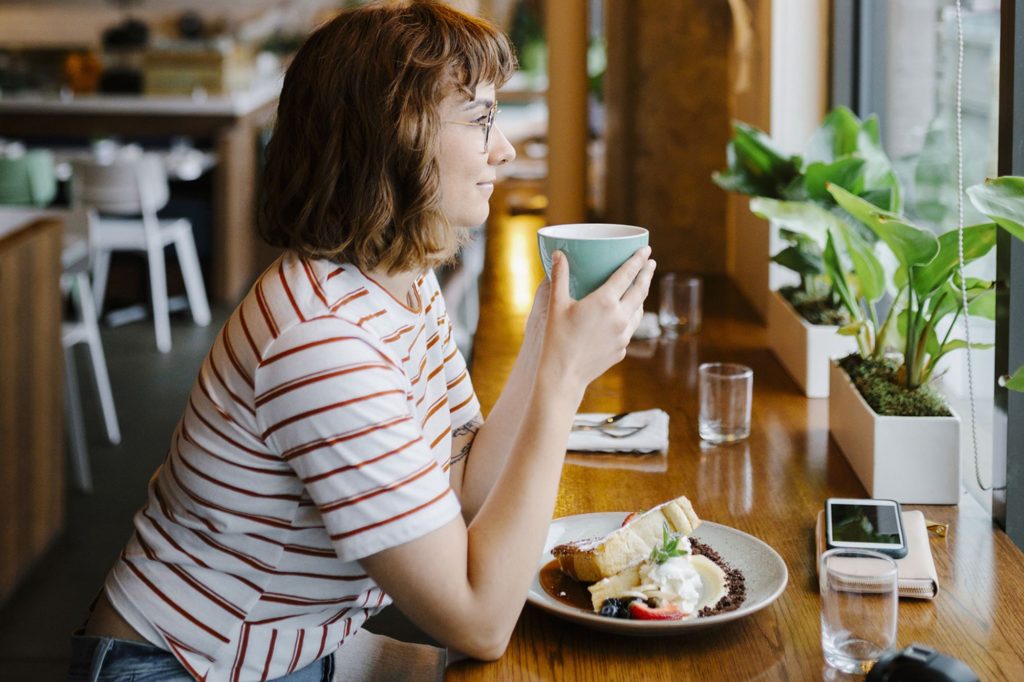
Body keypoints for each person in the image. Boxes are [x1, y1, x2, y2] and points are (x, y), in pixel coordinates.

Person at [69, 1, 655, 680]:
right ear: (394, 135)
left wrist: (545, 341)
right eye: (480, 118)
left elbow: (465, 488)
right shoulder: (321, 344)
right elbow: (480, 619)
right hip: (181, 665)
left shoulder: (401, 277)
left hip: (288, 649)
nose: (505, 147)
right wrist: (563, 382)